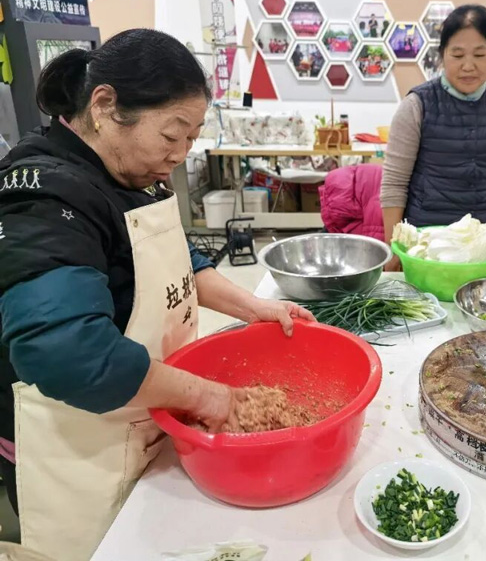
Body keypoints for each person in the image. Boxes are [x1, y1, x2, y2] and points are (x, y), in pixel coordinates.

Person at [0, 29, 313, 561]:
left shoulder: (130, 168)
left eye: (191, 139)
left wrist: (258, 308)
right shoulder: (44, 192)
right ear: (105, 105)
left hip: (143, 406)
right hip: (75, 440)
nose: (179, 155)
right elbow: (69, 355)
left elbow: (174, 260)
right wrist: (211, 396)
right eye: (172, 136)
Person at [380, 4, 486, 271]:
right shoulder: (417, 104)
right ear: (442, 55)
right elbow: (394, 183)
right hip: (426, 245)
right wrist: (396, 247)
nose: (468, 66)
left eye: (480, 54)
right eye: (457, 54)